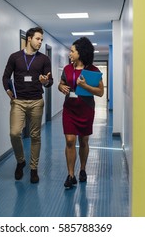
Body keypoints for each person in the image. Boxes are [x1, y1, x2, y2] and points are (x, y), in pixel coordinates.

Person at [2, 27, 53, 183]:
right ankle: (20, 161)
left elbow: (50, 81)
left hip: (37, 101)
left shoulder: (44, 59)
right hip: (18, 102)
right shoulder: (15, 57)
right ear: (29, 38)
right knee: (14, 133)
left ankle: (33, 169)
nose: (40, 42)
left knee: (35, 136)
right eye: (38, 39)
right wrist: (8, 90)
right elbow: (5, 77)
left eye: (42, 40)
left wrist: (46, 82)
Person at [58, 37, 104, 189]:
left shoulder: (93, 71)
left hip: (86, 109)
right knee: (70, 141)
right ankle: (70, 175)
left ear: (80, 53)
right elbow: (62, 83)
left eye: (72, 51)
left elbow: (100, 92)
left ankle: (82, 169)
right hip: (69, 109)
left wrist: (85, 86)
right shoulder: (67, 69)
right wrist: (61, 87)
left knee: (83, 141)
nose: (69, 53)